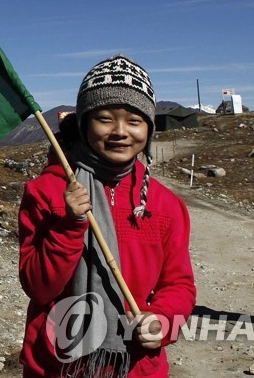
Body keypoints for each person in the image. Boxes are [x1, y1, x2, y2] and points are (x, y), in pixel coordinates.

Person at [18, 55, 196, 378]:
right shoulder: (46, 192)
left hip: (137, 368)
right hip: (55, 368)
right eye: (104, 118)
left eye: (134, 120)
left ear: (149, 128)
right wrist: (69, 225)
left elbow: (179, 285)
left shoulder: (166, 205)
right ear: (84, 123)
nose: (119, 132)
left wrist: (163, 320)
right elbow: (38, 286)